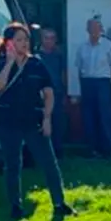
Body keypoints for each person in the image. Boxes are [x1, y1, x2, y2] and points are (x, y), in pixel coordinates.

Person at [0, 23, 74, 219]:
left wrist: (47, 118)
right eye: (19, 40)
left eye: (26, 39)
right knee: (13, 164)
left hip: (33, 120)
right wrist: (9, 63)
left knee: (49, 162)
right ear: (9, 43)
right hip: (7, 121)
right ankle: (15, 206)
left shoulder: (36, 63)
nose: (24, 43)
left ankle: (59, 203)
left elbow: (49, 93)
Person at [74, 17, 111, 158]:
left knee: (105, 116)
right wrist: (78, 90)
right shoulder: (82, 47)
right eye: (91, 28)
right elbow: (79, 69)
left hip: (103, 82)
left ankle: (108, 148)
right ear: (87, 30)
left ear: (101, 29)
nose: (94, 31)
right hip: (87, 82)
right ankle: (92, 149)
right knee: (89, 116)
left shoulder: (108, 45)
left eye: (96, 28)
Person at [37, 28, 67, 158]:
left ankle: (57, 150)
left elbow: (63, 73)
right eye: (46, 38)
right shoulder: (36, 56)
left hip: (57, 93)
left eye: (52, 38)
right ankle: (42, 151)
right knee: (41, 122)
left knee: (58, 122)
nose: (49, 41)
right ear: (41, 39)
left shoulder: (59, 55)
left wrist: (65, 91)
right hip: (40, 95)